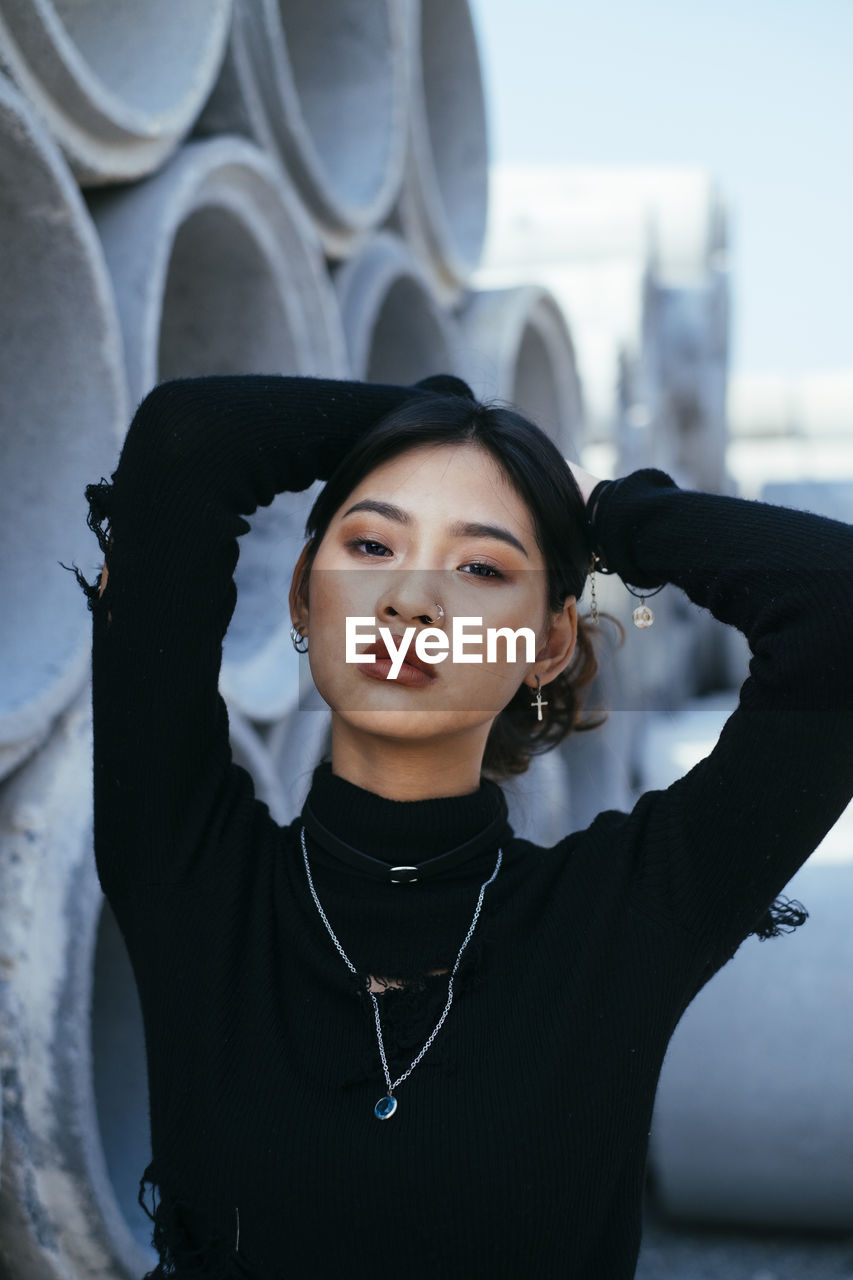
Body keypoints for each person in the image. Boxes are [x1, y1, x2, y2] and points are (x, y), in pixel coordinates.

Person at [76, 371, 853, 1280]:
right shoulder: (192, 872)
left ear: (548, 644)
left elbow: (834, 607)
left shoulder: (627, 916)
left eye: (481, 567)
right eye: (370, 545)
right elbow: (187, 438)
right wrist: (466, 427)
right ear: (301, 598)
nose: (411, 600)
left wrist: (601, 505)